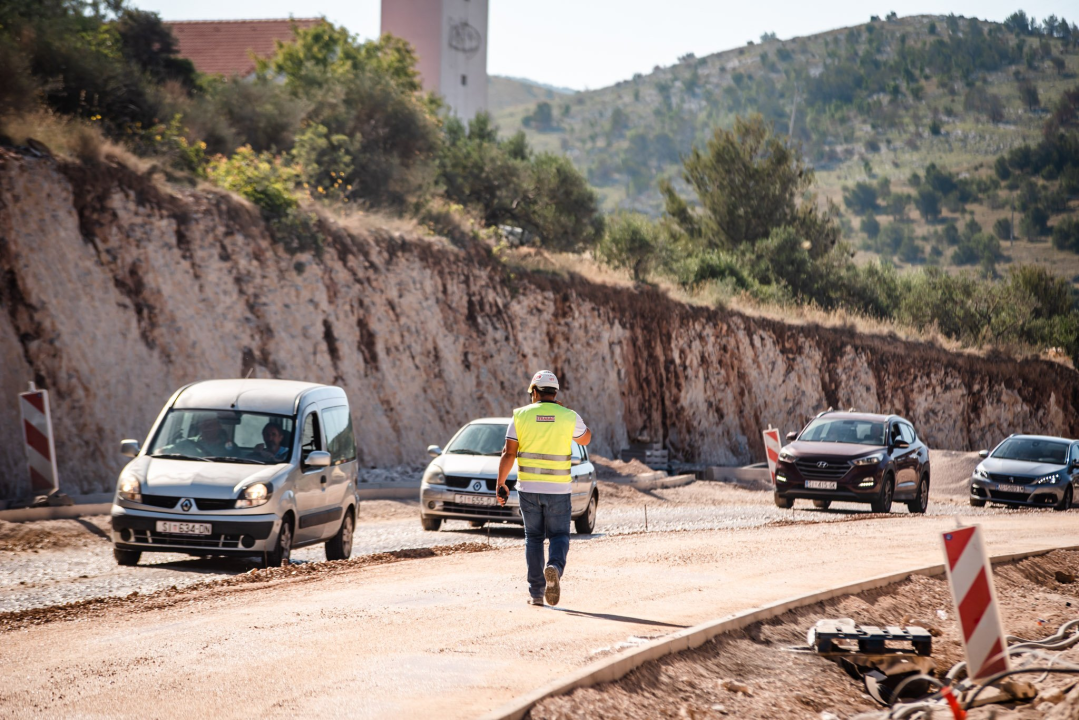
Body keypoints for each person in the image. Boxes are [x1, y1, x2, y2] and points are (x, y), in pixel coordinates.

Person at [496, 370, 591, 607]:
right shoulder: (569, 416)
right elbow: (586, 439)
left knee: (534, 538)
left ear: (535, 392)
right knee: (559, 535)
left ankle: (537, 594)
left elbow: (509, 453)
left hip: (528, 489)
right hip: (558, 490)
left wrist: (501, 484)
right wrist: (564, 419)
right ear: (555, 392)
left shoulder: (520, 416)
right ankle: (555, 567)